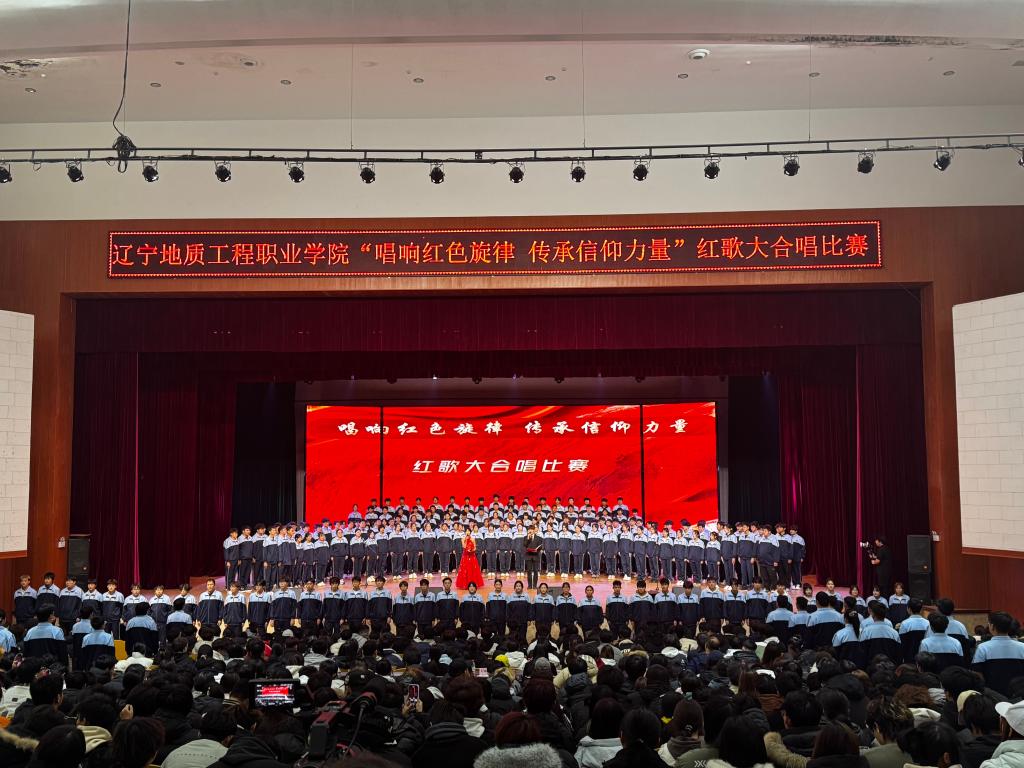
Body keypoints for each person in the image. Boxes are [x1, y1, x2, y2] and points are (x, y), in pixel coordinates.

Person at [525, 526, 543, 590]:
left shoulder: (539, 538)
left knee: (535, 571)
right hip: (528, 556)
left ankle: (535, 585)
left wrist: (536, 550)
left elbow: (541, 547)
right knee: (529, 571)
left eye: (532, 529)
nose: (531, 531)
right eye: (529, 530)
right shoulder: (525, 537)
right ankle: (529, 585)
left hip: (536, 555)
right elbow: (525, 545)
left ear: (534, 530)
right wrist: (528, 538)